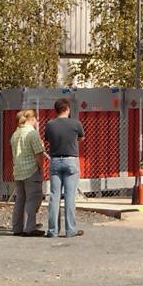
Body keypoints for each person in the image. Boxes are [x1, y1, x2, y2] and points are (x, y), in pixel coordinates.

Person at [44, 98, 85, 238]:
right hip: (71, 161)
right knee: (69, 196)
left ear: (56, 110)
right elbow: (81, 138)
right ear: (67, 108)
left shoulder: (50, 124)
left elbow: (48, 139)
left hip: (55, 160)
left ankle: (52, 230)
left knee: (54, 196)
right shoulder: (76, 123)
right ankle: (70, 230)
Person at [10, 109, 46, 237]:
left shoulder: (15, 134)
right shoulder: (32, 133)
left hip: (18, 171)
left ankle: (17, 227)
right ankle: (29, 228)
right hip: (31, 170)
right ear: (31, 119)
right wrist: (41, 169)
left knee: (20, 200)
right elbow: (39, 154)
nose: (37, 121)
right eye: (36, 119)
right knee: (33, 199)